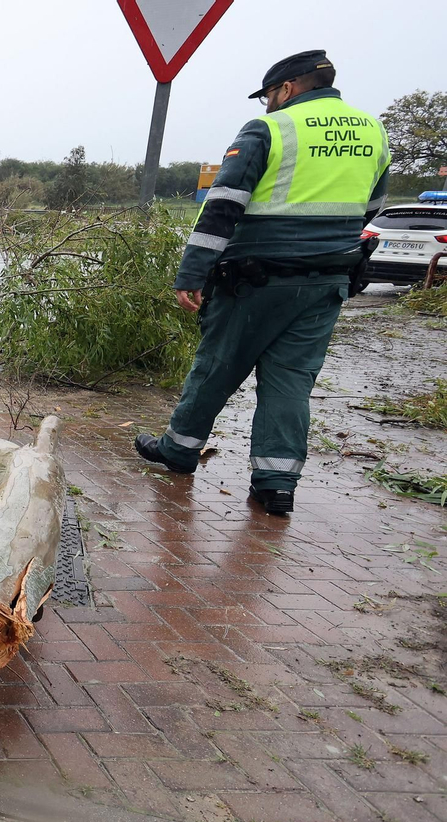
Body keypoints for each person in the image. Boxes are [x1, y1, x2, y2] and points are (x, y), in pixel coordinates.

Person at [135, 51, 389, 516]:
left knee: (218, 366)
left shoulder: (269, 130)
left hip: (256, 279)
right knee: (291, 381)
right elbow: (372, 208)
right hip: (327, 281)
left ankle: (178, 450)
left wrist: (192, 273)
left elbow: (224, 206)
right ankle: (276, 484)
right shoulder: (373, 132)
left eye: (269, 95)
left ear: (287, 89)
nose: (267, 104)